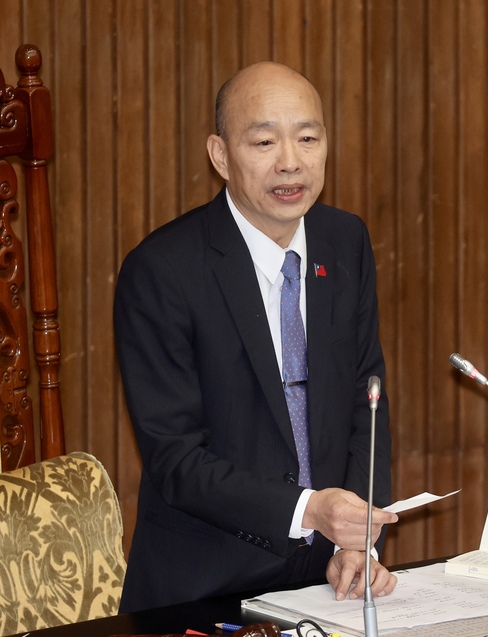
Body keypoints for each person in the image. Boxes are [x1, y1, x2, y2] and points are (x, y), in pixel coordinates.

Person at [115, 60, 398, 612]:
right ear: (220, 155)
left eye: (308, 138)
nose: (290, 162)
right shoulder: (163, 269)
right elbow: (175, 458)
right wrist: (308, 510)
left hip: (328, 582)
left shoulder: (345, 240)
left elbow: (368, 399)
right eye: (264, 141)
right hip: (204, 587)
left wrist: (358, 532)